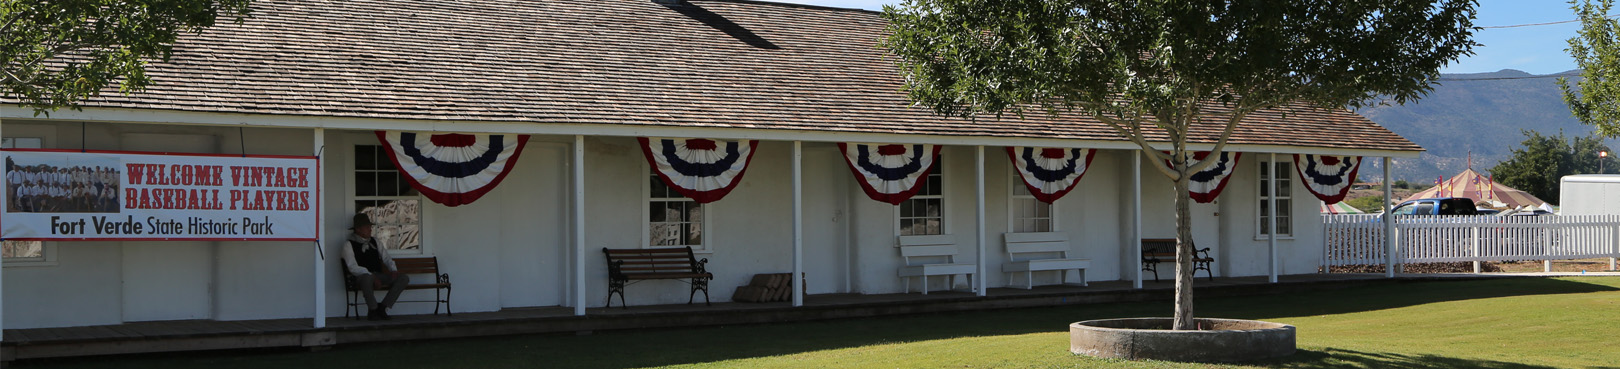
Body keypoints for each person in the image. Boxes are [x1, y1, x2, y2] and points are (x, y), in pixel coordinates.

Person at [342, 213, 410, 320]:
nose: (370, 229)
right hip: (361, 276)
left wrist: (393, 270)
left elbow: (386, 257)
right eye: (367, 227)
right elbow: (353, 267)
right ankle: (373, 309)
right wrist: (372, 276)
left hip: (378, 275)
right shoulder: (349, 245)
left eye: (370, 226)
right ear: (358, 229)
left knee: (403, 278)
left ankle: (382, 308)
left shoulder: (375, 241)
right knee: (367, 278)